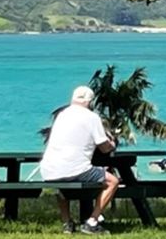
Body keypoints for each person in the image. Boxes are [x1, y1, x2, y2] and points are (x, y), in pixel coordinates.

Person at [38, 85, 119, 235]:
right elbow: (104, 148)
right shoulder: (92, 117)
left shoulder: (62, 115)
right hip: (77, 169)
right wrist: (113, 143)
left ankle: (67, 222)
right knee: (112, 181)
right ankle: (92, 221)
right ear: (90, 102)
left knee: (60, 183)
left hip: (48, 170)